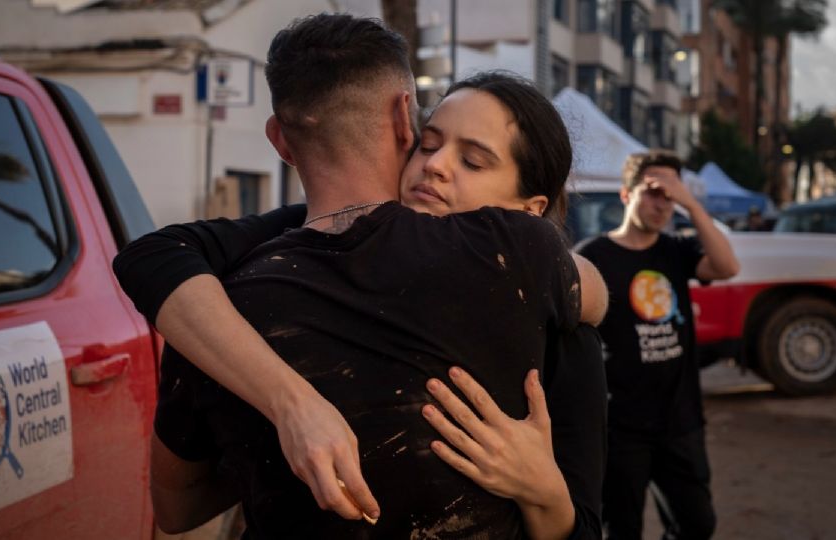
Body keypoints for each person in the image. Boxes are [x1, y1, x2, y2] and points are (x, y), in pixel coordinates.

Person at [114, 15, 606, 539]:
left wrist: (546, 492)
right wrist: (288, 413)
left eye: (474, 161)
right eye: (430, 142)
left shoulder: (212, 313)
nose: (437, 165)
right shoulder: (223, 305)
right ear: (405, 122)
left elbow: (176, 509)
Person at [574, 150, 739, 540]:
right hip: (619, 427)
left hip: (680, 422)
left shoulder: (675, 250)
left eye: (671, 194)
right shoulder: (591, 257)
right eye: (653, 191)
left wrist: (691, 204)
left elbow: (727, 267)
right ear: (626, 195)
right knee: (621, 530)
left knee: (698, 524)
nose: (662, 203)